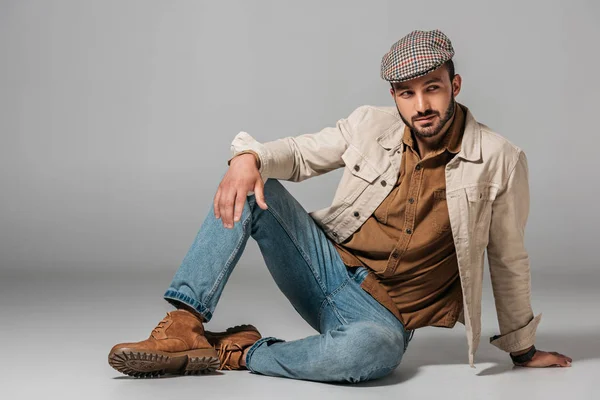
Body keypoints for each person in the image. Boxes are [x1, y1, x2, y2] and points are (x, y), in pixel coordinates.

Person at [108, 29, 572, 382]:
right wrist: (248, 156)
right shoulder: (369, 125)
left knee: (372, 354)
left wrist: (522, 349)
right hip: (325, 268)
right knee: (248, 182)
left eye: (433, 87)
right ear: (394, 96)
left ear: (455, 84)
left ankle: (240, 351)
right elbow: (301, 152)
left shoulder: (500, 159)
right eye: (407, 93)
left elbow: (508, 259)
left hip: (384, 316)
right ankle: (184, 324)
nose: (422, 104)